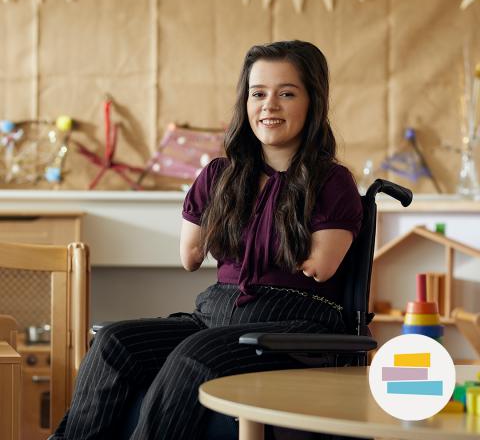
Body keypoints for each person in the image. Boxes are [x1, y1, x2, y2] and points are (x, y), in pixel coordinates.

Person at [50, 40, 362, 440]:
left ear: (312, 102)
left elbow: (320, 266)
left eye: (286, 93)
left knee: (194, 355)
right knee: (114, 343)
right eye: (258, 94)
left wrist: (257, 222)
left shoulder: (331, 181)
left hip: (294, 324)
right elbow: (190, 255)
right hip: (217, 314)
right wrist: (229, 202)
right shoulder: (221, 175)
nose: (269, 105)